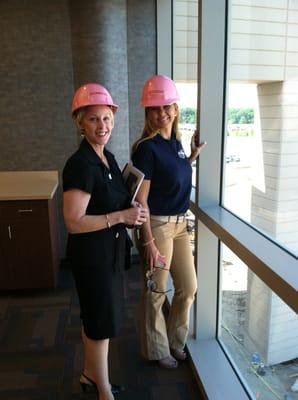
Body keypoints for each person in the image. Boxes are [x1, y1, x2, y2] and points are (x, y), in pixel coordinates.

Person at [62, 83, 148, 400]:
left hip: (108, 254)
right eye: (94, 119)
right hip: (92, 257)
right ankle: (104, 390)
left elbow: (114, 200)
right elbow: (73, 221)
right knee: (100, 321)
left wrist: (132, 208)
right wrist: (120, 218)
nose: (103, 126)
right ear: (80, 123)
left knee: (98, 317)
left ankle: (90, 375)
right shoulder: (80, 164)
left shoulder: (107, 158)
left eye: (107, 119)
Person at [131, 75, 206, 369]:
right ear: (147, 113)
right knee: (157, 290)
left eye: (166, 107)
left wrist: (192, 156)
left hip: (179, 225)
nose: (160, 114)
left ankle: (175, 341)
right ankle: (156, 349)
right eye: (154, 109)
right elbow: (141, 201)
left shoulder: (174, 143)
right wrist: (147, 241)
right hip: (159, 225)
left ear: (175, 109)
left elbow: (175, 174)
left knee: (189, 287)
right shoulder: (146, 148)